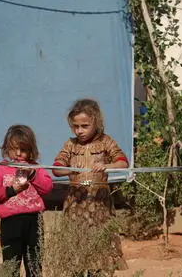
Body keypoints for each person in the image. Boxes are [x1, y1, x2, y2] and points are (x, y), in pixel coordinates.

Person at [53, 98, 129, 274]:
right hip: (76, 205)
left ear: (96, 122)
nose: (80, 131)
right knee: (75, 245)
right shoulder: (70, 145)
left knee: (100, 246)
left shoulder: (106, 141)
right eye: (76, 127)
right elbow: (56, 170)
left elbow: (123, 162)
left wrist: (107, 166)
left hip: (99, 205)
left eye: (84, 126)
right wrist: (70, 171)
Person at [0, 125, 53, 277]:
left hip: (34, 221)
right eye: (13, 149)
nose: (18, 154)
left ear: (31, 150)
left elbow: (47, 188)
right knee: (11, 264)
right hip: (11, 223)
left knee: (34, 263)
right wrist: (11, 190)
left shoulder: (36, 168)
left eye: (23, 150)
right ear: (6, 148)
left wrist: (33, 174)